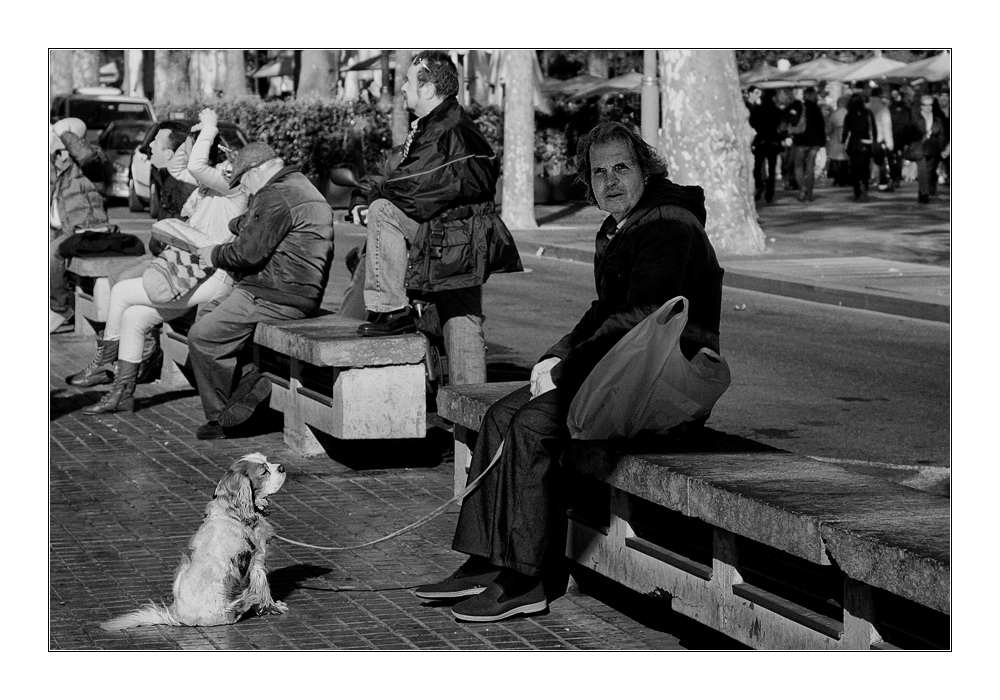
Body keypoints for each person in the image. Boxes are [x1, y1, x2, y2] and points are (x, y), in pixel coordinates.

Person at [413, 122, 723, 623]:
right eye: (598, 172)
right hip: (626, 373)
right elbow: (603, 312)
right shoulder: (620, 226)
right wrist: (552, 357)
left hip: (667, 384)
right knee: (499, 416)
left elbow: (643, 314)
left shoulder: (669, 224)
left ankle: (528, 577)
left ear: (645, 168)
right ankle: (486, 559)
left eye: (622, 167)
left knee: (533, 426)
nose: (611, 180)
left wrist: (568, 369)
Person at [346, 51, 514, 387]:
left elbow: (414, 184)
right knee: (462, 317)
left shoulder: (444, 130)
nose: (403, 89)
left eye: (408, 82)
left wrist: (373, 200)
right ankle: (470, 412)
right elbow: (403, 170)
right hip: (461, 236)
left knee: (384, 212)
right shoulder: (444, 125)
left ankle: (391, 310)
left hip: (454, 236)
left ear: (427, 89)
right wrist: (367, 194)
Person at [67, 109, 248, 414]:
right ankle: (122, 394)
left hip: (214, 277)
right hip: (195, 274)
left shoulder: (231, 183)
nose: (187, 156)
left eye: (191, 149)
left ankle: (104, 361)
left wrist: (209, 128)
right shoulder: (208, 185)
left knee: (123, 293)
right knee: (135, 318)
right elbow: (180, 165)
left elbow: (193, 164)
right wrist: (197, 134)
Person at [186, 143, 334, 440]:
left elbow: (248, 253)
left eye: (243, 181)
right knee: (206, 311)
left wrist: (213, 254)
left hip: (273, 294)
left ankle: (224, 417)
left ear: (255, 173)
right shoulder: (298, 185)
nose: (245, 188)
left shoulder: (274, 194)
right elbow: (260, 226)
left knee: (202, 337)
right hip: (292, 291)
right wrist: (241, 221)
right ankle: (250, 384)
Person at [49, 117, 109, 332]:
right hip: (61, 228)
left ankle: (60, 309)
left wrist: (65, 133)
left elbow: (85, 156)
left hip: (88, 228)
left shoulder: (93, 160)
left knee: (52, 254)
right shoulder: (55, 162)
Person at [912, 95, 949, 204]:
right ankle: (923, 194)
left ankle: (925, 191)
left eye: (930, 105)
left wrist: (942, 148)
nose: (928, 107)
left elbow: (942, 134)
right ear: (921, 106)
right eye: (925, 105)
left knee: (929, 172)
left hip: (933, 149)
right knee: (922, 172)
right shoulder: (916, 118)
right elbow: (911, 133)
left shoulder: (937, 119)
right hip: (920, 149)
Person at [791, 87, 826, 202]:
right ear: (813, 95)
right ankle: (810, 194)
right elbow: (821, 126)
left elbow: (793, 122)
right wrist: (822, 142)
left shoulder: (799, 107)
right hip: (814, 142)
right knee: (810, 167)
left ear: (805, 95)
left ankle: (802, 188)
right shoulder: (817, 108)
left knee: (798, 166)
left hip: (801, 140)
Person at [750, 89, 783, 203]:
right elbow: (780, 126)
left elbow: (752, 123)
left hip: (760, 141)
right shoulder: (777, 110)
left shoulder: (757, 110)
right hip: (773, 142)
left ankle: (759, 184)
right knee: (772, 168)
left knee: (758, 166)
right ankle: (770, 191)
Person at [842, 93, 877, 202]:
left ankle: (857, 192)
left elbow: (846, 131)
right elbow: (874, 129)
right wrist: (874, 141)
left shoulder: (849, 115)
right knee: (865, 168)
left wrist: (843, 141)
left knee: (855, 169)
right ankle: (865, 188)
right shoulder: (868, 113)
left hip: (853, 144)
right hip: (865, 144)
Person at [867, 88, 894, 191]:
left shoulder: (866, 106)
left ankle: (867, 181)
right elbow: (886, 126)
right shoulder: (883, 108)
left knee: (868, 161)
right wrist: (889, 144)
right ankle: (882, 183)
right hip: (879, 138)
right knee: (881, 161)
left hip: (866, 138)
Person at [888, 88, 914, 189]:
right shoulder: (906, 108)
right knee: (899, 158)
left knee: (892, 158)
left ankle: (894, 177)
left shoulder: (890, 107)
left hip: (893, 136)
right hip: (901, 137)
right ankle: (897, 178)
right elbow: (908, 124)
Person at [825, 95, 850, 186]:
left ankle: (837, 178)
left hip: (835, 138)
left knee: (835, 159)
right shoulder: (849, 113)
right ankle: (844, 178)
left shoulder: (834, 114)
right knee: (845, 159)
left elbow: (829, 129)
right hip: (846, 138)